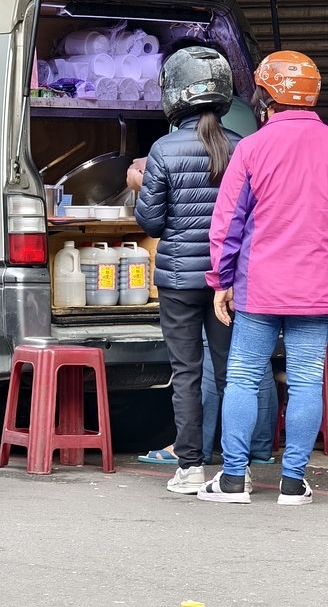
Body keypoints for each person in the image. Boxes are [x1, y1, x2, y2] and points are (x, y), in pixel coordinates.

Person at [198, 50, 328, 505]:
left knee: (241, 377)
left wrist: (221, 280)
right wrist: (325, 240)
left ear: (266, 96)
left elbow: (227, 223)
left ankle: (234, 480)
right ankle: (293, 482)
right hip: (318, 287)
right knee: (305, 381)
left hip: (259, 286)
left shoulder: (252, 148)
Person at [131, 45, 241, 495]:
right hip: (230, 281)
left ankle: (190, 466)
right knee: (234, 371)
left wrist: (142, 189)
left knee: (187, 373)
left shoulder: (163, 149)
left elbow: (151, 221)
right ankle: (237, 467)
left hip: (178, 280)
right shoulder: (243, 147)